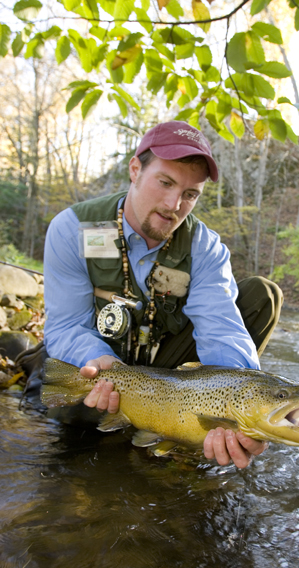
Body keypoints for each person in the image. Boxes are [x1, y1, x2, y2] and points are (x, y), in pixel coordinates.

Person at [43, 121, 283, 469]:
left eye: (190, 194)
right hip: (100, 371)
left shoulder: (205, 247)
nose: (174, 204)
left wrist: (236, 407)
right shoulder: (73, 228)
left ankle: (177, 428)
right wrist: (95, 360)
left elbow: (221, 329)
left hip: (167, 377)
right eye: (166, 183)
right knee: (70, 436)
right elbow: (64, 326)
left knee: (263, 294)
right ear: (135, 170)